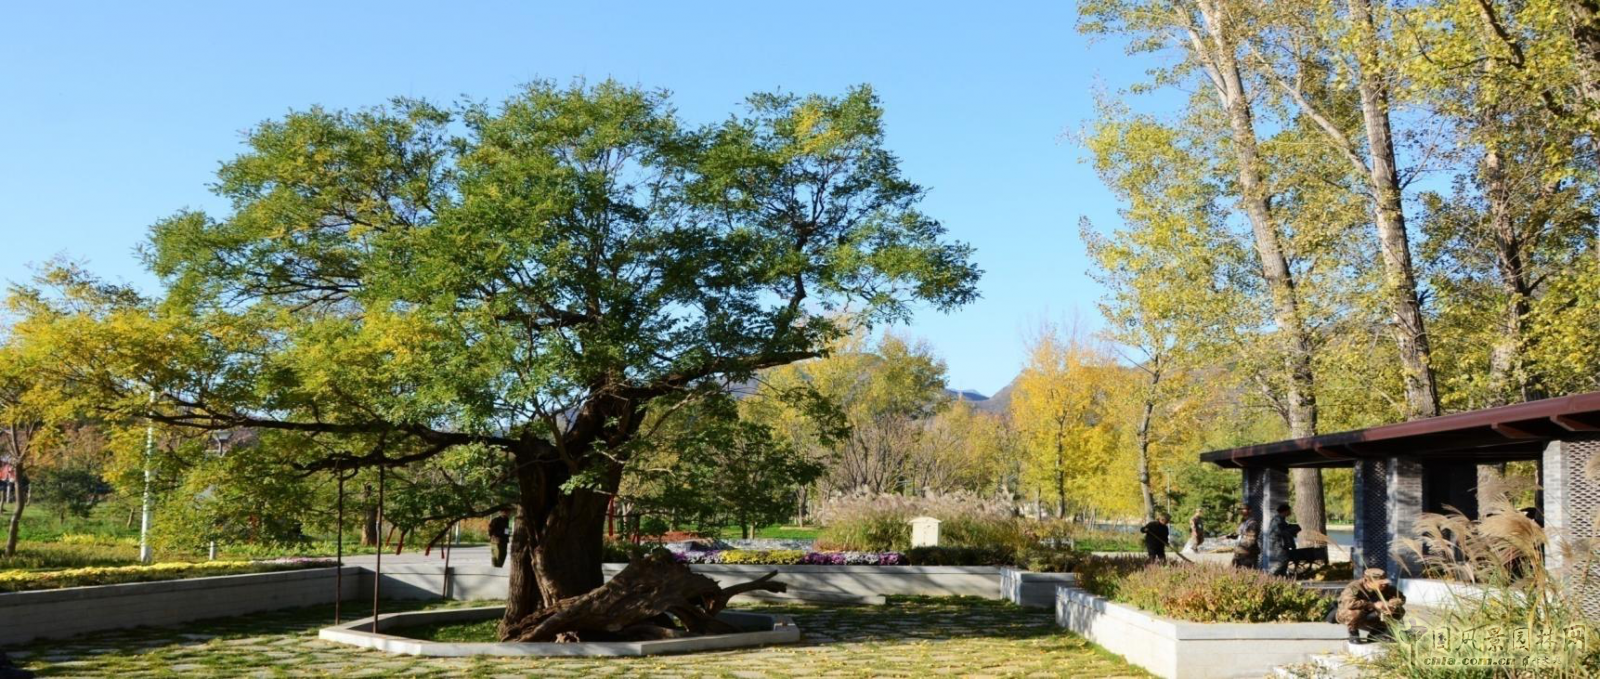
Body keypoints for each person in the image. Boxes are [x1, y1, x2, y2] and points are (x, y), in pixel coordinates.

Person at [1335, 568, 1406, 643]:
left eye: (1384, 582)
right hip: (1349, 616)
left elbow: (1401, 598)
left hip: (1372, 615)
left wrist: (1391, 604)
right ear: (1367, 581)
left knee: (1399, 611)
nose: (1384, 584)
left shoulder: (1386, 587)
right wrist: (1373, 605)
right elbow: (1349, 603)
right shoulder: (1354, 587)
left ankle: (1376, 634)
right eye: (1380, 583)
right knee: (1354, 612)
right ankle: (1353, 633)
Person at [1265, 503, 1300, 576]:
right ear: (1285, 511)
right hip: (1277, 545)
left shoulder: (1282, 520)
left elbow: (1285, 530)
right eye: (1289, 510)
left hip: (1282, 544)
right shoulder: (1277, 520)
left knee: (1285, 561)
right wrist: (1291, 529)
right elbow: (1279, 532)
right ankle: (1271, 574)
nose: (1290, 512)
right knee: (1283, 560)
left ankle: (1281, 577)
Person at [1228, 504, 1261, 569]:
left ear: (1250, 511)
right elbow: (1240, 534)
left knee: (1247, 573)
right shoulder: (1243, 522)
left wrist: (1241, 547)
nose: (1241, 511)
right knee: (1235, 572)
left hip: (1248, 553)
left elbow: (1251, 540)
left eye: (1243, 509)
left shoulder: (1252, 523)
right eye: (1240, 509)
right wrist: (1231, 536)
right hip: (1239, 553)